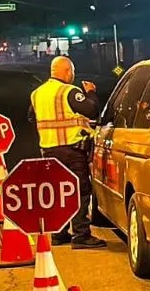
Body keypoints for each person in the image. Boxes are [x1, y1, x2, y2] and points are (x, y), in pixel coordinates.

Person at [27, 55, 106, 249]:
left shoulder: (38, 93)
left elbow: (31, 117)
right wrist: (91, 93)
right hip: (71, 151)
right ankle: (81, 235)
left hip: (48, 151)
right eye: (72, 72)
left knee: (57, 193)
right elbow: (91, 110)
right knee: (80, 192)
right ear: (67, 72)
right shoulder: (69, 91)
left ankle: (58, 233)